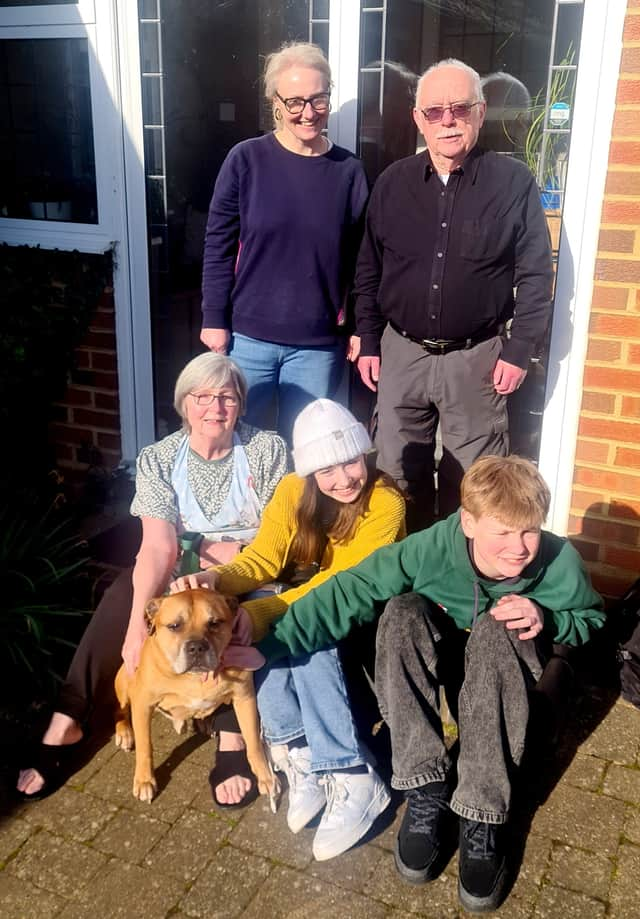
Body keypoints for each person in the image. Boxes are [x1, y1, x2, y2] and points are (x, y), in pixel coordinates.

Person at [254, 455, 605, 912]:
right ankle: (426, 786)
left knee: (499, 629)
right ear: (469, 524)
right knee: (400, 614)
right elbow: (351, 589)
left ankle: (483, 814)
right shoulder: (432, 547)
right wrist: (268, 645)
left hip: (509, 675)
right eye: (503, 531)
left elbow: (592, 622)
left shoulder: (560, 563)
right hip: (453, 666)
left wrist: (549, 616)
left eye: (529, 531)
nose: (519, 547)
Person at [16, 353, 288, 800]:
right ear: (185, 404)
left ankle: (231, 736)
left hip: (247, 570)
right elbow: (159, 547)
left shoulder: (266, 450)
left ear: (240, 404)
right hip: (180, 568)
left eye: (227, 397)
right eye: (203, 397)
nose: (215, 407)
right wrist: (135, 633)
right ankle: (68, 716)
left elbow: (279, 537)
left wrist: (226, 557)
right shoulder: (159, 459)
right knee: (127, 588)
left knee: (233, 618)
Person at [174, 398, 405, 859]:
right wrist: (216, 580)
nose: (343, 480)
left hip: (366, 615)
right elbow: (263, 560)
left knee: (298, 623)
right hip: (314, 602)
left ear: (366, 454)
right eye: (327, 471)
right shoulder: (292, 491)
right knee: (265, 603)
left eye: (351, 462)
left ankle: (350, 772)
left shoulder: (386, 503)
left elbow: (341, 586)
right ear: (310, 474)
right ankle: (295, 750)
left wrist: (258, 617)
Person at [354, 58, 554, 529]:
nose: (448, 120)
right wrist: (367, 338)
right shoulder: (392, 183)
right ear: (418, 119)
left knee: (476, 482)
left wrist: (520, 348)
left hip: (476, 356)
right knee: (398, 476)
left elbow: (535, 273)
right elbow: (369, 268)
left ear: (480, 113)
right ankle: (405, 579)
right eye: (435, 111)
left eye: (460, 109)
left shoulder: (513, 184)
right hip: (401, 352)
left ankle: (458, 584)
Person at [200, 41, 368, 443]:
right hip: (246, 340)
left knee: (306, 456)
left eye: (318, 99)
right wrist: (213, 317)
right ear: (275, 102)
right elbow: (218, 244)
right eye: (294, 101)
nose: (307, 113)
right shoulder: (246, 160)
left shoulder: (349, 171)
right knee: (241, 448)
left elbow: (363, 261)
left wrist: (361, 327)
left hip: (317, 345)